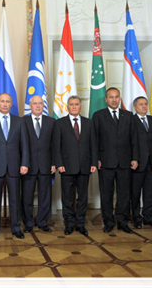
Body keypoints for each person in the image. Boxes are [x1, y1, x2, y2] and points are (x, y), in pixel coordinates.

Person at [0, 93, 29, 240]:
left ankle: (16, 228)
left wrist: (24, 163)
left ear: (11, 104)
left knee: (15, 198)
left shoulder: (19, 122)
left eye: (8, 101)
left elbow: (24, 145)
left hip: (15, 166)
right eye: (2, 101)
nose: (5, 104)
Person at [92, 87, 138, 234]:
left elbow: (134, 139)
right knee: (106, 194)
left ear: (120, 99)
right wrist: (96, 159)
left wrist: (135, 158)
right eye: (111, 97)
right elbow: (94, 140)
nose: (114, 99)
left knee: (124, 194)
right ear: (106, 99)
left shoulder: (129, 115)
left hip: (125, 162)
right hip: (105, 162)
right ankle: (108, 222)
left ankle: (122, 222)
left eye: (116, 97)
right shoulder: (98, 116)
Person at [53, 96, 97, 236]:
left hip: (85, 166)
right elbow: (56, 146)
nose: (74, 106)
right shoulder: (60, 123)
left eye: (76, 104)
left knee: (82, 197)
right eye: (71, 104)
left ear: (80, 106)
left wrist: (94, 163)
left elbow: (93, 146)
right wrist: (59, 163)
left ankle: (80, 224)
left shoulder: (89, 123)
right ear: (67, 106)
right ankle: (69, 223)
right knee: (67, 197)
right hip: (66, 167)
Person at [21, 95, 55, 233]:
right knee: (27, 196)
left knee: (45, 195)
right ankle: (28, 222)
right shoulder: (22, 122)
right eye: (35, 103)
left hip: (46, 165)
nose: (38, 106)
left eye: (40, 103)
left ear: (43, 105)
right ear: (30, 106)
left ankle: (42, 221)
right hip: (28, 166)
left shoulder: (51, 122)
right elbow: (19, 145)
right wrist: (22, 163)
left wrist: (54, 163)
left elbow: (55, 145)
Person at [131, 96, 152, 229]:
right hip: (137, 163)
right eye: (140, 104)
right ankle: (136, 218)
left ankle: (148, 217)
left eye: (145, 104)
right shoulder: (130, 121)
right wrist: (133, 159)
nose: (144, 106)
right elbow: (130, 143)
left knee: (150, 192)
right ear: (135, 107)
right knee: (135, 192)